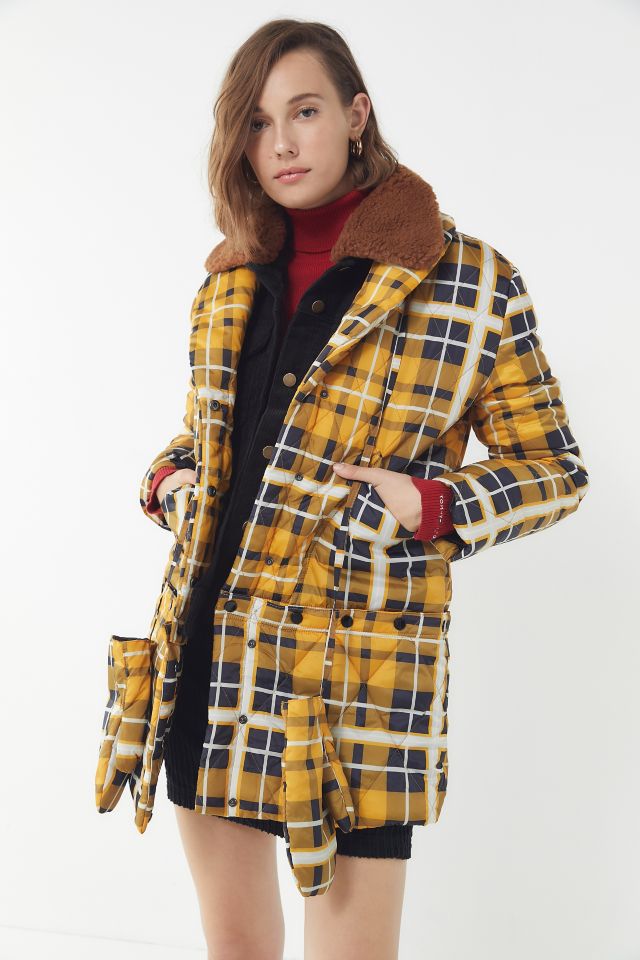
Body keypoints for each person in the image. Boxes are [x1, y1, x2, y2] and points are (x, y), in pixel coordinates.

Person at [136, 18, 589, 960]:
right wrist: (171, 479)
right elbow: (213, 440)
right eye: (256, 123)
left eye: (303, 111)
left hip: (357, 672)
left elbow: (556, 469)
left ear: (356, 114)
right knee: (235, 949)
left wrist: (432, 505)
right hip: (210, 649)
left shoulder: (468, 281)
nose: (281, 143)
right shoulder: (228, 279)